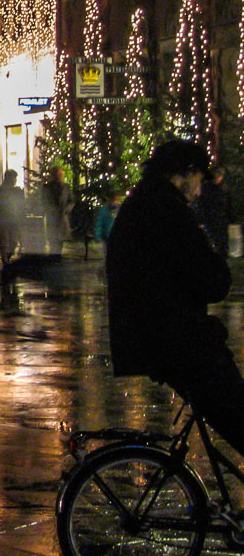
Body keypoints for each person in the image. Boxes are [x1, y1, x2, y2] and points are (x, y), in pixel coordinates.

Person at [106, 139, 243, 453]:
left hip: (155, 336)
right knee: (235, 411)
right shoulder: (165, 208)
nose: (199, 189)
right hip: (174, 337)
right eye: (198, 179)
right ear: (186, 172)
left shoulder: (144, 201)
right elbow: (212, 280)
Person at [0, 170, 26, 265]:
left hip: (13, 220)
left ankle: (7, 257)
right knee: (4, 241)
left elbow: (22, 205)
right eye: (13, 178)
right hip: (3, 220)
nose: (15, 180)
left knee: (13, 241)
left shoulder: (17, 191)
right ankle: (5, 259)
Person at [196, 165, 235, 258]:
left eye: (220, 176)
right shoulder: (207, 188)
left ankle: (223, 255)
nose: (218, 178)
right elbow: (203, 203)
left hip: (221, 218)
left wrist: (230, 217)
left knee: (223, 239)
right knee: (214, 239)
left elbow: (228, 203)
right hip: (211, 218)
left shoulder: (224, 188)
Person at [40, 166, 74, 256]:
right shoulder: (47, 187)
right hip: (52, 216)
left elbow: (71, 200)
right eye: (57, 174)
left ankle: (58, 254)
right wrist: (49, 209)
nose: (59, 176)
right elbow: (43, 201)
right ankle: (53, 253)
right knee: (52, 236)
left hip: (62, 215)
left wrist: (66, 209)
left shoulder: (66, 187)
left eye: (60, 174)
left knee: (61, 237)